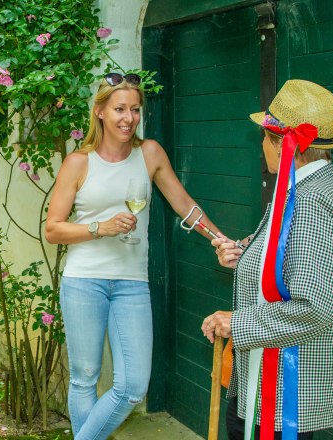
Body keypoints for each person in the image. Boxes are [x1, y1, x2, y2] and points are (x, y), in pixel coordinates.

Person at [45, 72, 219, 440]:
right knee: (84, 379)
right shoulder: (79, 162)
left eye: (135, 110)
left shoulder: (150, 153)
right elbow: (53, 229)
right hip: (83, 281)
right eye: (120, 109)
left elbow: (184, 204)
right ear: (101, 112)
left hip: (132, 282)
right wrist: (99, 228)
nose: (128, 118)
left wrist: (219, 239)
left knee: (133, 385)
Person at [201, 80, 333, 440]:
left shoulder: (312, 201)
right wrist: (245, 257)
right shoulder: (306, 188)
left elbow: (314, 304)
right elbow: (293, 262)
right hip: (272, 385)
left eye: (264, 136)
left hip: (288, 392)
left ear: (282, 143)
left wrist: (237, 323)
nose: (260, 145)